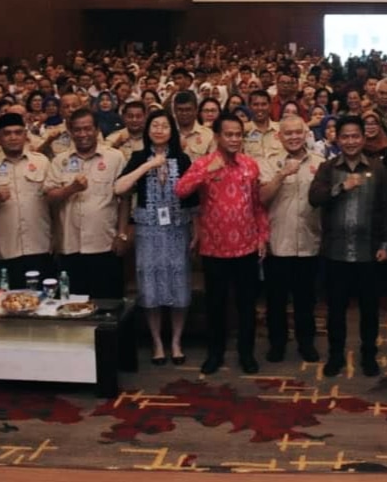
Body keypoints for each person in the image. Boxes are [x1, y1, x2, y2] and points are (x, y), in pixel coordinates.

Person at [175, 113, 269, 375]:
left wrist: (262, 235)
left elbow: (258, 205)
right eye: (229, 134)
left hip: (247, 247)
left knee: (246, 305)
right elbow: (181, 190)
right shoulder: (204, 163)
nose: (234, 139)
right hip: (214, 248)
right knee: (215, 305)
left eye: (238, 134)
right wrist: (207, 172)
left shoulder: (250, 165)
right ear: (217, 137)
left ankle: (246, 354)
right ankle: (214, 354)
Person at [309, 115, 387, 377]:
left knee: (370, 310)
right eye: (345, 136)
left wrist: (386, 243)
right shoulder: (328, 167)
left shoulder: (378, 169)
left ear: (363, 138)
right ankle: (335, 356)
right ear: (337, 139)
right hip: (335, 252)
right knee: (336, 310)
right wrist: (341, 187)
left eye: (355, 136)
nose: (350, 141)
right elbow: (314, 197)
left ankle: (369, 356)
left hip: (369, 251)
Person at [115, 109, 197, 365]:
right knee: (150, 287)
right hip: (148, 231)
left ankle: (176, 341)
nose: (159, 130)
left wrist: (197, 232)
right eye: (155, 125)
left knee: (178, 286)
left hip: (177, 229)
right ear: (148, 130)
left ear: (172, 131)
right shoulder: (138, 157)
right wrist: (148, 165)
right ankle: (157, 343)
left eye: (164, 126)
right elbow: (119, 188)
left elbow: (195, 200)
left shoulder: (182, 159)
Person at [257, 115, 324, 363]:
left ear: (306, 134)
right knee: (276, 300)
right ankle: (277, 344)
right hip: (277, 242)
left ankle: (306, 343)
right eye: (288, 133)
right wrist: (281, 174)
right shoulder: (267, 162)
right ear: (279, 136)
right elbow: (262, 198)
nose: (294, 137)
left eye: (298, 132)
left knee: (306, 299)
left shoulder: (320, 163)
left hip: (309, 240)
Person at [44, 107, 128, 299]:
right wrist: (71, 189)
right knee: (73, 303)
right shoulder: (60, 161)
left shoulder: (115, 158)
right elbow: (49, 197)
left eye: (87, 129)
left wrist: (122, 234)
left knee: (108, 303)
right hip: (70, 245)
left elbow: (124, 198)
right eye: (78, 129)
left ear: (97, 130)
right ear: (71, 132)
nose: (83, 134)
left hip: (105, 243)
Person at [0, 112, 54, 282]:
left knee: (43, 296)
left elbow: (54, 201)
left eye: (18, 132)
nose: (13, 137)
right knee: (8, 296)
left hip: (40, 244)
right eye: (7, 133)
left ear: (25, 135)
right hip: (5, 248)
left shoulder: (42, 162)